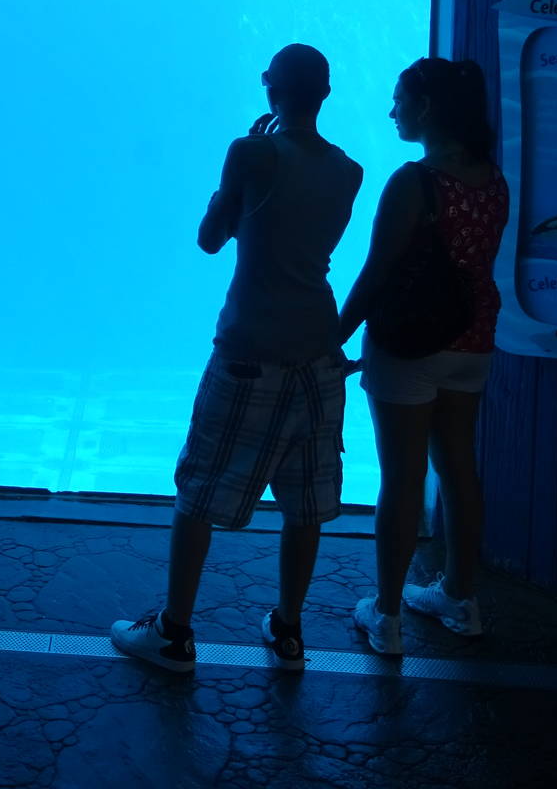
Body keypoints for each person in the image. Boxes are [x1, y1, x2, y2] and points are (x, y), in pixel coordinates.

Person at [111, 44, 363, 673]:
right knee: (305, 502)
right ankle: (288, 630)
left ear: (267, 88)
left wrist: (239, 171)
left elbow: (210, 239)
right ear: (326, 93)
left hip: (250, 348)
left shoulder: (250, 153)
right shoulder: (350, 170)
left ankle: (173, 632)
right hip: (319, 355)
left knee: (197, 491)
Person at [337, 58, 508, 655]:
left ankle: (385, 615)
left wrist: (331, 337)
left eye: (399, 99)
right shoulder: (492, 178)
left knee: (402, 480)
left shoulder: (415, 182)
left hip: (409, 347)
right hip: (473, 341)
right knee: (459, 469)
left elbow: (376, 274)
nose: (392, 110)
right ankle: (460, 598)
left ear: (426, 107)